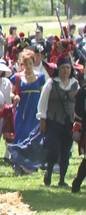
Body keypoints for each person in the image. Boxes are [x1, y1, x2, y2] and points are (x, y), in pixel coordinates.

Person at [37, 56, 79, 188]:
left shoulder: (75, 84)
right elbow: (42, 103)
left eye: (68, 68)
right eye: (63, 68)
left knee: (66, 152)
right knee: (54, 150)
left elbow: (78, 104)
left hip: (69, 123)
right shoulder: (51, 84)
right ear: (58, 69)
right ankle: (49, 172)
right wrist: (42, 120)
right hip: (53, 122)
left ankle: (62, 179)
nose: (65, 71)